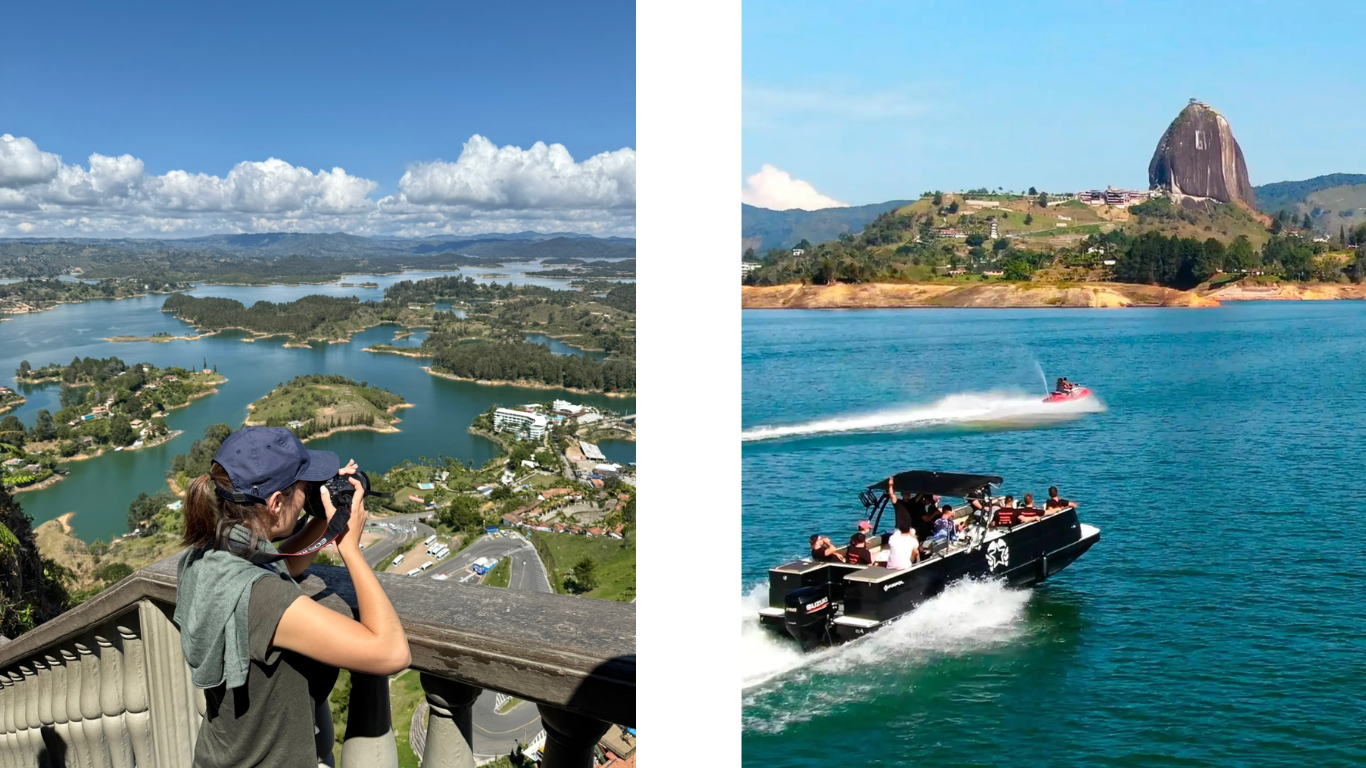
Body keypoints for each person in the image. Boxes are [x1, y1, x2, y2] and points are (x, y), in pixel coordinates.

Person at [174, 426, 410, 767]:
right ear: (275, 503)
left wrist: (325, 516)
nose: (306, 495)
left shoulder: (208, 556)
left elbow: (285, 566)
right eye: (303, 489)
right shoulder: (262, 597)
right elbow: (391, 653)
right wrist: (350, 549)